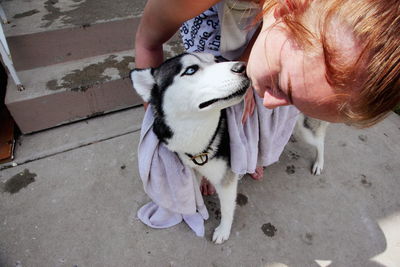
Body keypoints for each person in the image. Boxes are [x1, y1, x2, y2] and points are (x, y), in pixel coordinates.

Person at [135, 0, 399, 194]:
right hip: (215, 23)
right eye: (284, 86)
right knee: (210, 96)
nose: (270, 102)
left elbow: (269, 30)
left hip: (259, 24)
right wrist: (160, 123)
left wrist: (246, 63)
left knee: (252, 106)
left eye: (294, 101)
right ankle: (210, 163)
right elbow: (148, 41)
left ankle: (245, 155)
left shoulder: (288, 25)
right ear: (286, 9)